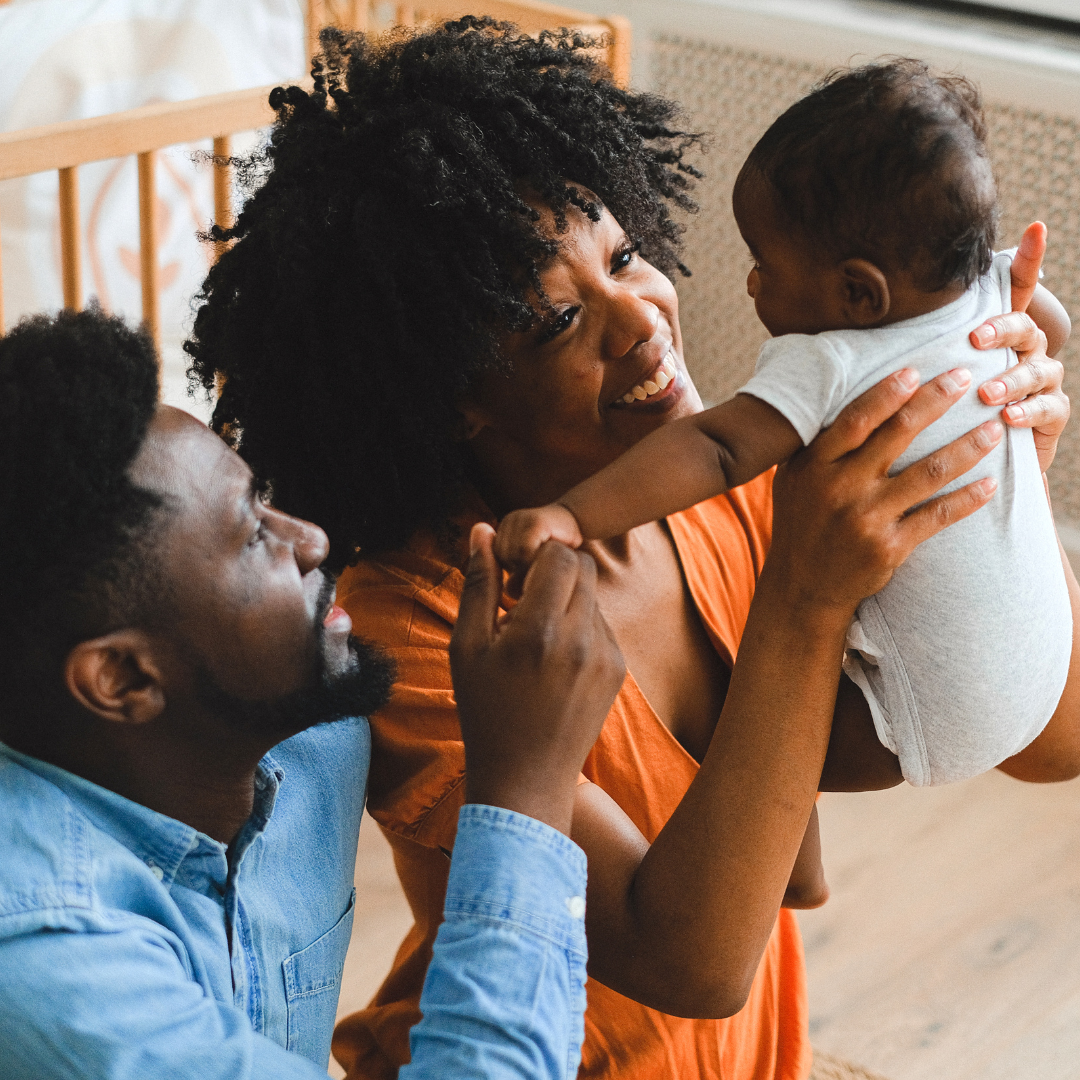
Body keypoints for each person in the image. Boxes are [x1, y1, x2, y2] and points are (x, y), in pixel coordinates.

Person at [184, 21, 1080, 1079]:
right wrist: (801, 597)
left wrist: (1000, 474)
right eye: (559, 322)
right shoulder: (418, 627)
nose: (644, 319)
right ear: (453, 396)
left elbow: (1049, 744)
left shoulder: (721, 490)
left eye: (625, 258)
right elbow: (694, 963)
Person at [0, 305, 628, 1080]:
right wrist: (525, 785)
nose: (311, 540)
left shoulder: (313, 744)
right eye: (252, 535)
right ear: (123, 679)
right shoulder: (44, 957)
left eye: (265, 497)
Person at [494, 60, 1073, 789]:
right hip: (1043, 656)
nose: (752, 282)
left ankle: (775, 839)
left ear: (859, 293)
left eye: (765, 264)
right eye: (563, 318)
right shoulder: (985, 288)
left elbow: (716, 446)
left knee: (757, 742)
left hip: (934, 712)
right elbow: (1048, 320)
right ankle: (802, 866)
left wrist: (568, 518)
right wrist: (1021, 346)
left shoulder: (833, 360)